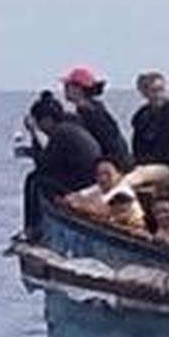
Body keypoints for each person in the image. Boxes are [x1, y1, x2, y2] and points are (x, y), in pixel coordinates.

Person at [22, 91, 103, 236]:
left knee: (34, 180)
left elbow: (44, 165)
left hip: (83, 182)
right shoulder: (70, 126)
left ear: (47, 120)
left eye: (39, 123)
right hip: (88, 178)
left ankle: (32, 228)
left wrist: (33, 134)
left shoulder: (61, 134)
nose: (41, 128)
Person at [60, 66, 132, 171]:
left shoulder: (90, 112)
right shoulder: (91, 108)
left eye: (67, 86)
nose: (64, 89)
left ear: (78, 89)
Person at [62, 157, 146, 226]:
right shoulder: (98, 187)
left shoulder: (124, 191)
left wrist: (84, 203)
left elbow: (101, 211)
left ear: (119, 174)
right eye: (99, 174)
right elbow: (70, 198)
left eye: (108, 174)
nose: (103, 178)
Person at [130, 71, 169, 170]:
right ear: (145, 93)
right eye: (154, 91)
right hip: (145, 165)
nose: (158, 95)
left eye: (161, 90)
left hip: (168, 167)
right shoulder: (141, 116)